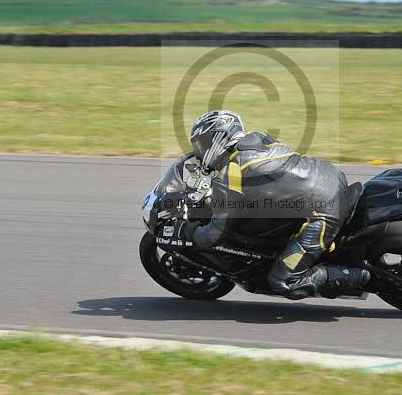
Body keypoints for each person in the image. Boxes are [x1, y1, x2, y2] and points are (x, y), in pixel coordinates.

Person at [156, 110, 369, 299]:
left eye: (202, 144)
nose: (200, 151)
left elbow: (217, 232)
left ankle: (360, 277)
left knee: (284, 282)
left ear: (218, 138)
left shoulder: (232, 171)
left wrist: (188, 233)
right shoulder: (256, 139)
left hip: (322, 211)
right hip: (331, 176)